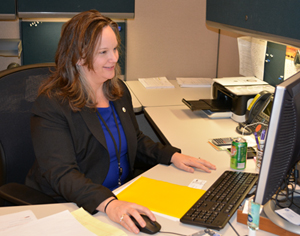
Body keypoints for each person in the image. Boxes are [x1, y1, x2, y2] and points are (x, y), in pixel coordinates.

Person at [26, 10, 216, 234]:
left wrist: (172, 155)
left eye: (115, 49)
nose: (114, 58)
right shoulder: (52, 104)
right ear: (78, 57)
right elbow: (62, 174)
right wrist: (109, 203)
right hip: (75, 204)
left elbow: (133, 139)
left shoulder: (117, 90)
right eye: (103, 52)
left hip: (123, 194)